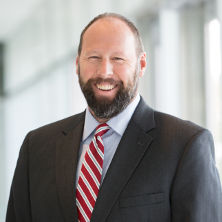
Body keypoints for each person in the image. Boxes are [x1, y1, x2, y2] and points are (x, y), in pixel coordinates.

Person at [6, 13, 222, 222]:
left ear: (142, 65)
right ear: (77, 64)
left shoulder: (185, 146)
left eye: (118, 58)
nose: (105, 72)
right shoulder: (35, 147)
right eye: (93, 57)